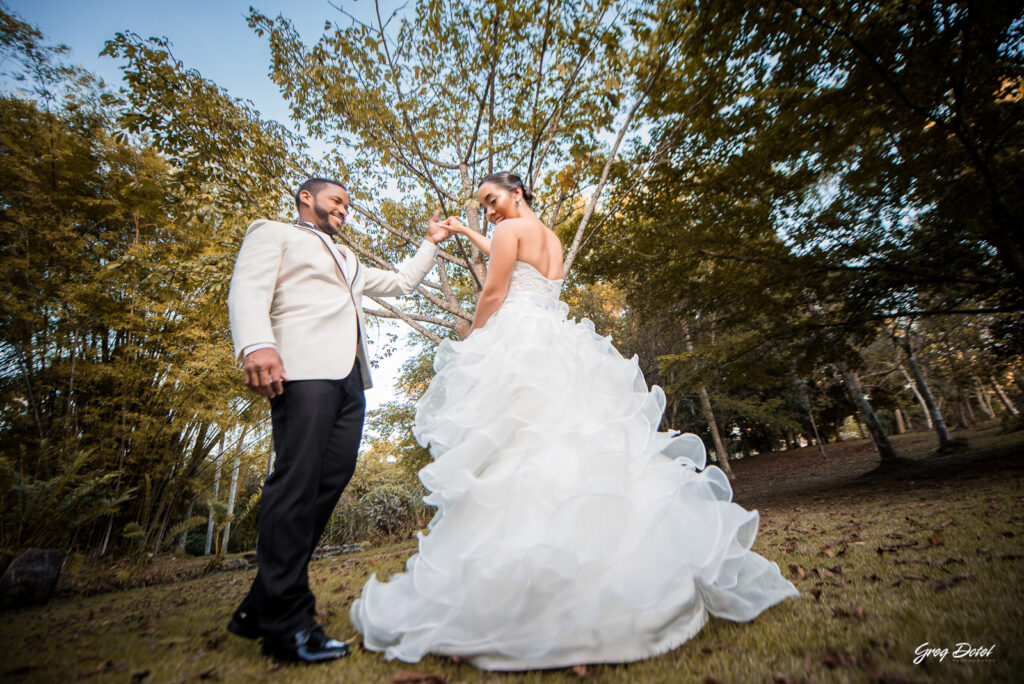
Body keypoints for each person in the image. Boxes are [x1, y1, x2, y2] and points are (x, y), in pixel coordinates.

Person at [350, 171, 799, 670]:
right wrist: (466, 232)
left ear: (515, 193)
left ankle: (526, 595)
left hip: (517, 339)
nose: (489, 211)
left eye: (492, 201)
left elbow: (495, 292)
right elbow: (516, 254)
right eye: (483, 206)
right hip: (555, 338)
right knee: (574, 446)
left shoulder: (507, 232)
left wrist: (471, 343)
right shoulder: (549, 235)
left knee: (520, 451)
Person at [226, 177, 450, 664]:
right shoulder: (273, 232)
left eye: (348, 205)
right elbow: (247, 287)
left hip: (350, 379)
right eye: (337, 201)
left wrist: (429, 244)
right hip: (300, 369)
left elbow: (402, 283)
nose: (344, 210)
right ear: (307, 198)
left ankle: (259, 603)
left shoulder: (348, 260)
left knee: (331, 477)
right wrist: (254, 344)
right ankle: (286, 625)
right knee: (296, 482)